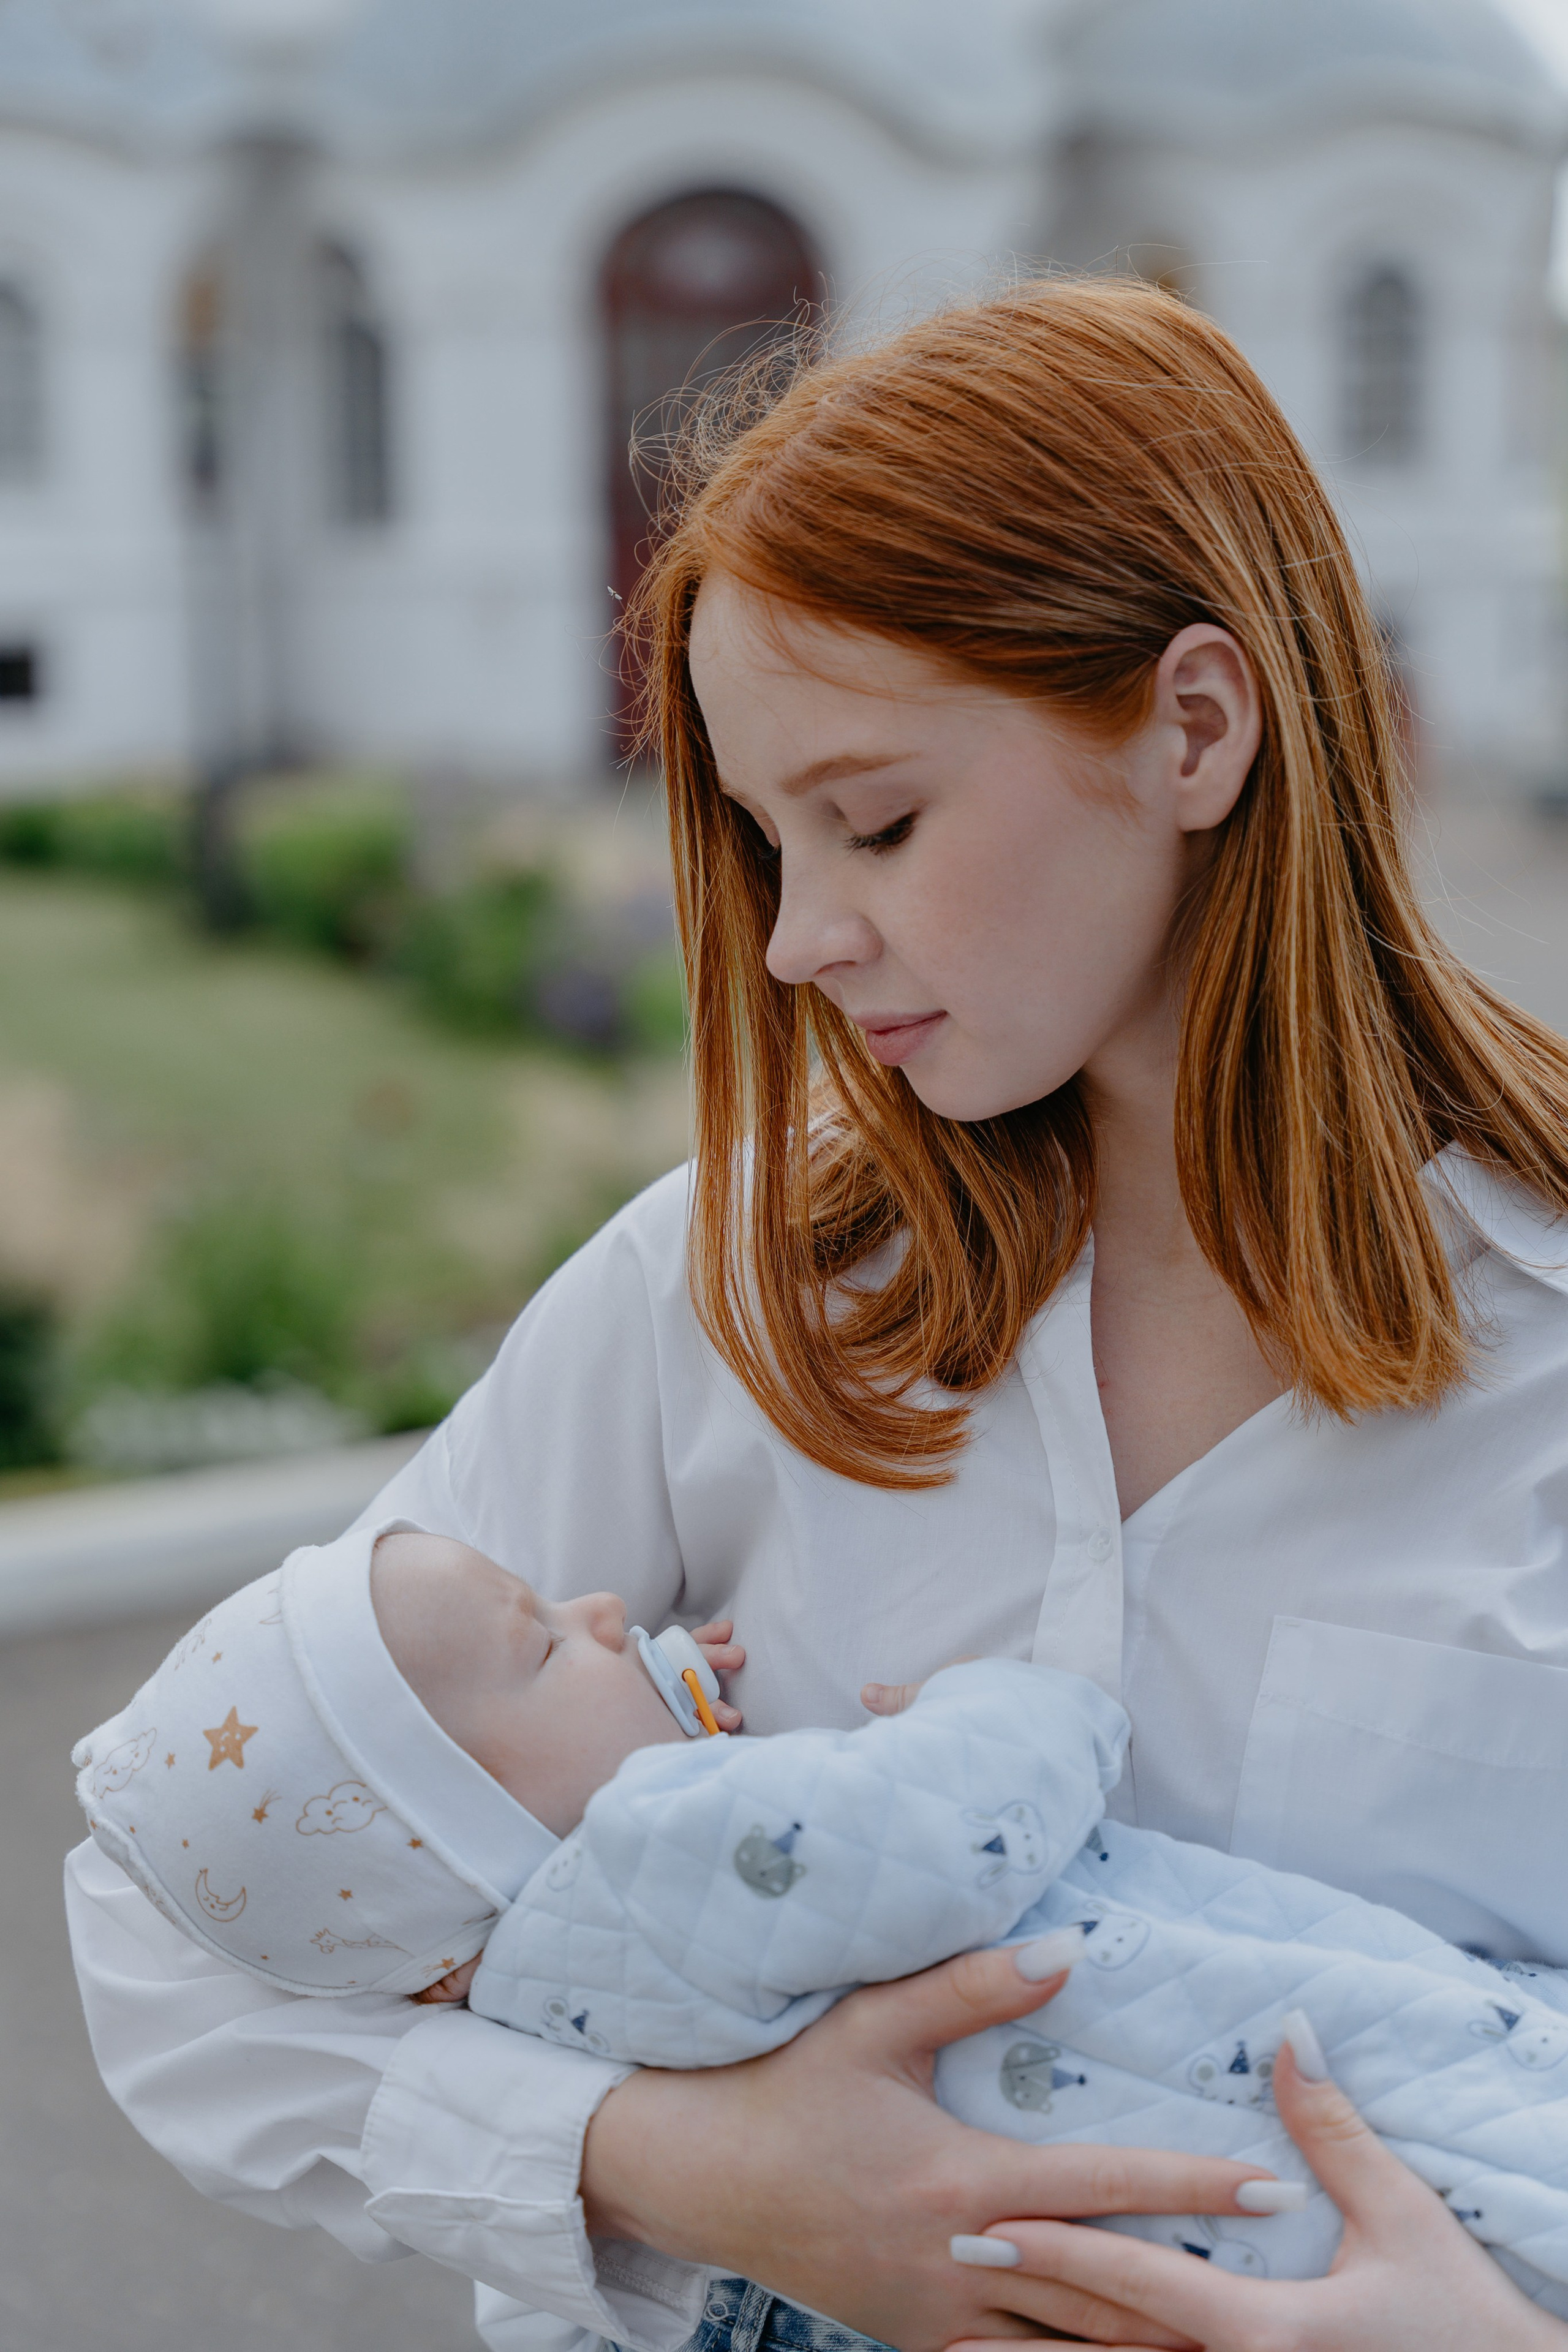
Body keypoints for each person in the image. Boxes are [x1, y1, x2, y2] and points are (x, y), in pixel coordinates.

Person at [66, 279, 1568, 2352]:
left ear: (1197, 729)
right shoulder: (734, 1296)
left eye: (875, 821)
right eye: (766, 840)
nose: (795, 938)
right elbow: (165, 1903)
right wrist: (692, 2174)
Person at [73, 1525, 1568, 2316]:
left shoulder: (519, 1983)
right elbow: (948, 1821)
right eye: (542, 1642)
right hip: (1259, 2111)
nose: (603, 1609)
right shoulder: (667, 1839)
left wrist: (661, 1698)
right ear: (481, 1830)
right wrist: (1012, 1702)